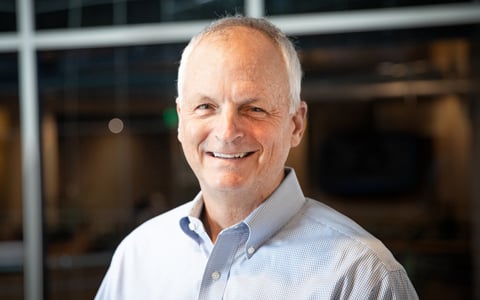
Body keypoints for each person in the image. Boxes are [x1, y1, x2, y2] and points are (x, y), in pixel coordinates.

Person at [95, 16, 418, 299]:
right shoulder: (136, 257)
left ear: (296, 124)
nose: (226, 131)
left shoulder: (362, 276)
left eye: (254, 109)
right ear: (181, 120)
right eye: (206, 106)